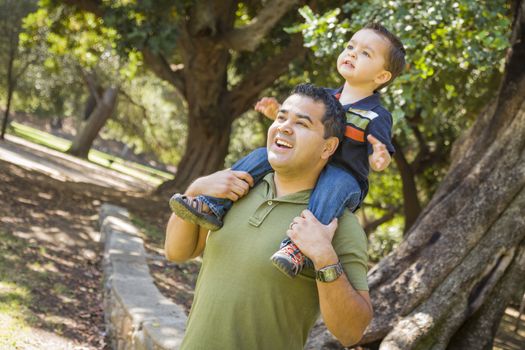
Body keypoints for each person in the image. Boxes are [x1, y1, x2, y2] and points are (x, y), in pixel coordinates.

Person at [170, 23, 406, 278]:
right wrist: (279, 114)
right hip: (309, 163)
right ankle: (213, 205)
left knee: (333, 185)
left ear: (382, 76)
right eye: (350, 46)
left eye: (365, 53)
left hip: (345, 176)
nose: (351, 53)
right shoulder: (325, 98)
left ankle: (296, 247)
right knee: (261, 156)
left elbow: (379, 149)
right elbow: (303, 122)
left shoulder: (376, 114)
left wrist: (379, 158)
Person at [165, 84, 372, 349]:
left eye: (302, 124)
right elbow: (176, 251)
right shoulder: (237, 187)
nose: (284, 127)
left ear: (328, 147)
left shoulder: (334, 225)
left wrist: (324, 256)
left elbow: (352, 332)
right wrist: (196, 189)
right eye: (281, 117)